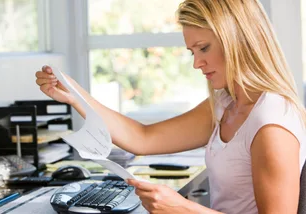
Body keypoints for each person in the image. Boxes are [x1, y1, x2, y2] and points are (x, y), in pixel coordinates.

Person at [35, 0, 306, 213]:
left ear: (239, 40)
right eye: (192, 52)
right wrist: (75, 95)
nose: (196, 63)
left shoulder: (271, 124)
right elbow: (143, 138)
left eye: (203, 48)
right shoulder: (227, 104)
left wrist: (183, 209)